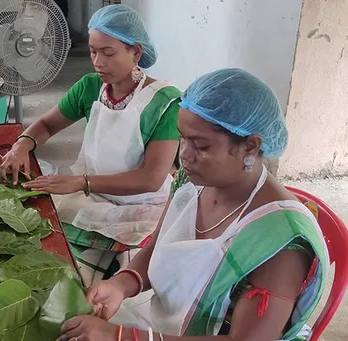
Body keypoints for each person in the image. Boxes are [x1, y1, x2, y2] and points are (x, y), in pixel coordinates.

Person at [57, 68, 329, 341]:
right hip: (165, 325)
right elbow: (158, 245)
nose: (184, 155)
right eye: (182, 138)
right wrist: (122, 284)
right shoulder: (191, 182)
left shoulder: (280, 241)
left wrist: (122, 337)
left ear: (250, 146)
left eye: (201, 146)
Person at [0, 5, 181, 285]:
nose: (98, 62)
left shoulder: (165, 103)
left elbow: (151, 178)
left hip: (143, 204)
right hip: (95, 197)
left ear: (136, 52)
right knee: (49, 260)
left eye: (108, 53)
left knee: (131, 284)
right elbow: (47, 125)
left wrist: (81, 183)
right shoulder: (89, 87)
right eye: (93, 52)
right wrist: (22, 144)